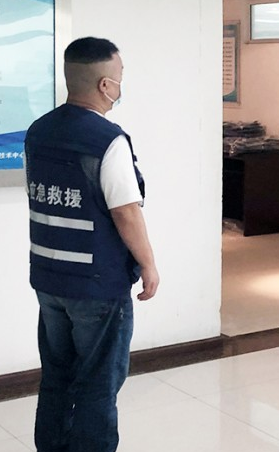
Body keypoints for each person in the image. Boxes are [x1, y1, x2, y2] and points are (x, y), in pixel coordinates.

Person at [24, 37, 159, 452]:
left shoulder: (38, 131)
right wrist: (149, 265)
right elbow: (126, 212)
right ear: (105, 85)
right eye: (119, 77)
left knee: (57, 377)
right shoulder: (107, 139)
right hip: (97, 284)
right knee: (98, 384)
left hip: (49, 278)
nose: (120, 86)